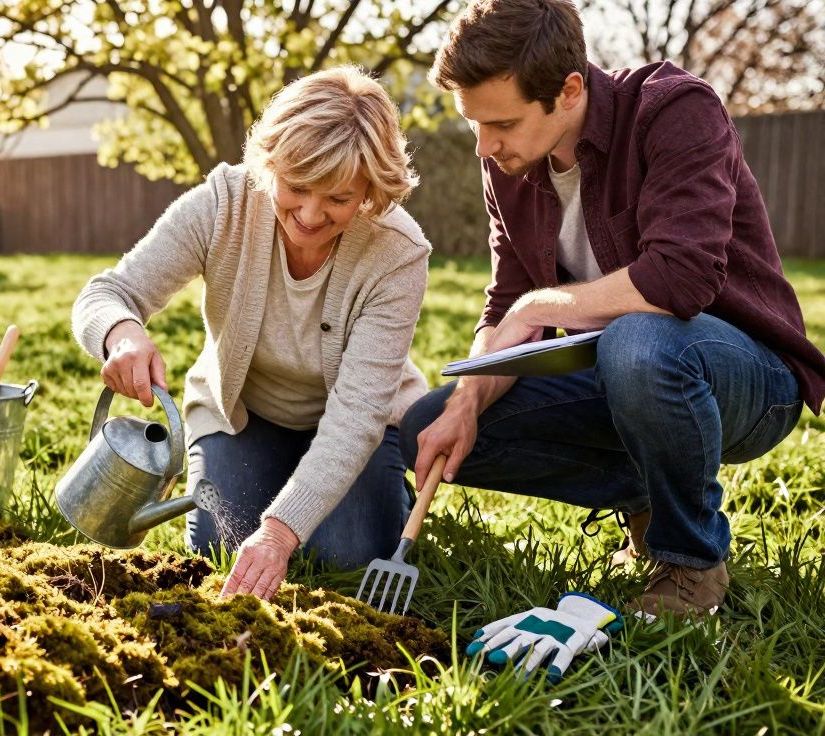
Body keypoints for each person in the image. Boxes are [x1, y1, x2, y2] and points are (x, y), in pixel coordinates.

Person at [400, 0, 825, 648]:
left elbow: (682, 278)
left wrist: (544, 307)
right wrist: (467, 399)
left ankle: (690, 565)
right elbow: (505, 303)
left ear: (569, 88)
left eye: (503, 123)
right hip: (621, 375)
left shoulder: (674, 109)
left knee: (636, 344)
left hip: (747, 378)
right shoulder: (507, 166)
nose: (486, 147)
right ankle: (650, 501)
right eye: (476, 126)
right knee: (424, 429)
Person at [71, 66, 431, 601]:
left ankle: (369, 489)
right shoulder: (223, 204)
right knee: (222, 546)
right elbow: (107, 293)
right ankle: (290, 485)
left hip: (357, 423)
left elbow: (356, 416)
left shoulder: (398, 253)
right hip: (244, 415)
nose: (309, 214)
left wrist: (280, 534)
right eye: (297, 186)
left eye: (337, 198)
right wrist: (121, 334)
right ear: (271, 163)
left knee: (346, 555)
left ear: (370, 191)